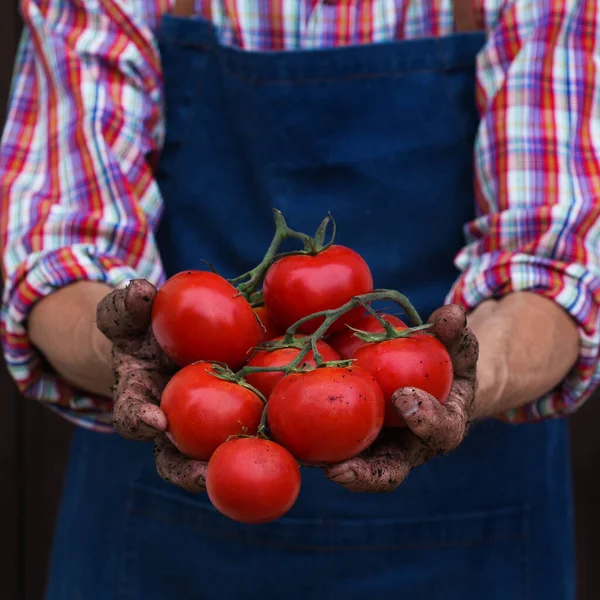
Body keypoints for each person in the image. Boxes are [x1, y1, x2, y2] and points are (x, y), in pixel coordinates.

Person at [1, 0, 599, 597]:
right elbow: (58, 248)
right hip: (158, 531)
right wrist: (125, 345)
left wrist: (472, 376)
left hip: (478, 532)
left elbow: (550, 266)